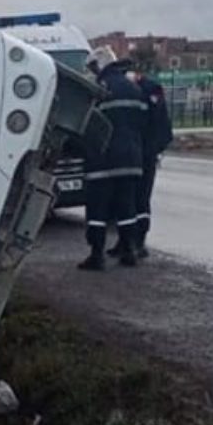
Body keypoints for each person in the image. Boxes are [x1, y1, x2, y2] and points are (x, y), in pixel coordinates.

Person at [79, 46, 146, 271]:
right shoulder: (134, 88)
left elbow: (87, 125)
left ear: (100, 65)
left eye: (92, 67)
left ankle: (97, 255)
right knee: (127, 207)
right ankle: (130, 250)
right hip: (131, 159)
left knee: (97, 210)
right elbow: (143, 124)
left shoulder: (98, 89)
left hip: (102, 159)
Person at [109, 63, 174, 258]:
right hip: (133, 151)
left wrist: (155, 149)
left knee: (140, 199)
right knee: (125, 199)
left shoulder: (150, 89)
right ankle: (125, 240)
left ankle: (138, 241)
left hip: (144, 152)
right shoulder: (130, 89)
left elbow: (160, 122)